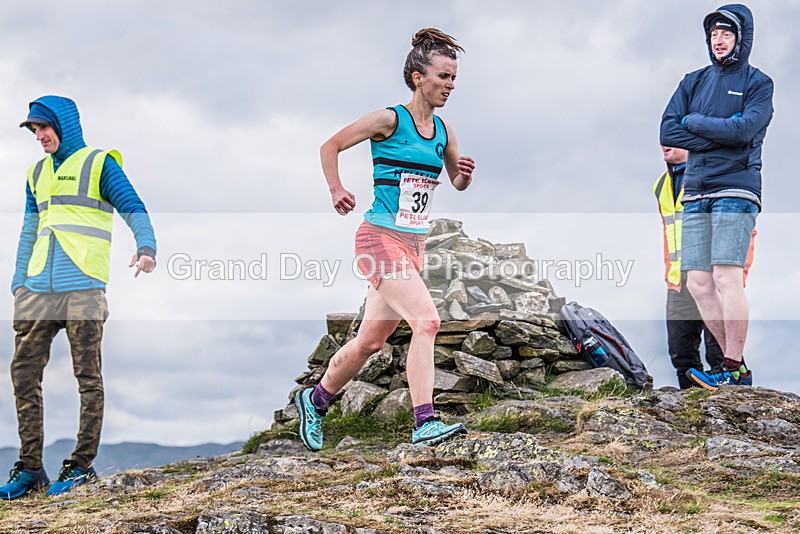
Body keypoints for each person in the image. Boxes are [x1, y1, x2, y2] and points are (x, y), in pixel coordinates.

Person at [295, 28, 475, 450]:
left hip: (413, 244)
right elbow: (330, 145)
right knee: (427, 321)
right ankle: (424, 423)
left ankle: (315, 400)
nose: (450, 85)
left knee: (371, 341)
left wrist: (463, 175)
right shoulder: (389, 120)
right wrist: (336, 189)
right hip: (378, 238)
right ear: (418, 77)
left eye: (454, 79)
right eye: (443, 76)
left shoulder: (444, 132)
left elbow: (455, 182)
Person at [0, 96, 157, 500]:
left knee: (87, 376)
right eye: (34, 130)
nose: (39, 136)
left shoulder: (99, 164)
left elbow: (133, 205)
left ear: (63, 125)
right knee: (22, 374)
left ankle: (81, 465)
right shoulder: (36, 174)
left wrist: (147, 247)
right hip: (37, 289)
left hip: (84, 285)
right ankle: (31, 468)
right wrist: (19, 282)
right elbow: (27, 230)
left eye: (43, 127)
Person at [660, 4, 773, 391]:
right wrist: (717, 136)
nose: (719, 40)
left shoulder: (759, 83)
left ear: (741, 39)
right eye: (713, 34)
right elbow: (669, 130)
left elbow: (744, 131)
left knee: (727, 277)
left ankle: (730, 362)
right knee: (698, 283)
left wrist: (696, 124)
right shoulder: (692, 81)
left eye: (726, 33)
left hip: (737, 189)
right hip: (696, 191)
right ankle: (734, 370)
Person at [654, 146, 751, 389]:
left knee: (720, 351)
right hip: (678, 280)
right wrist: (670, 274)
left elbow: (743, 229)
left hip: (713, 277)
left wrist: (739, 273)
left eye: (673, 139)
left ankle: (733, 399)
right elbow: (669, 233)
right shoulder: (661, 185)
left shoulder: (711, 176)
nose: (664, 143)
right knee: (681, 353)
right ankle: (690, 409)